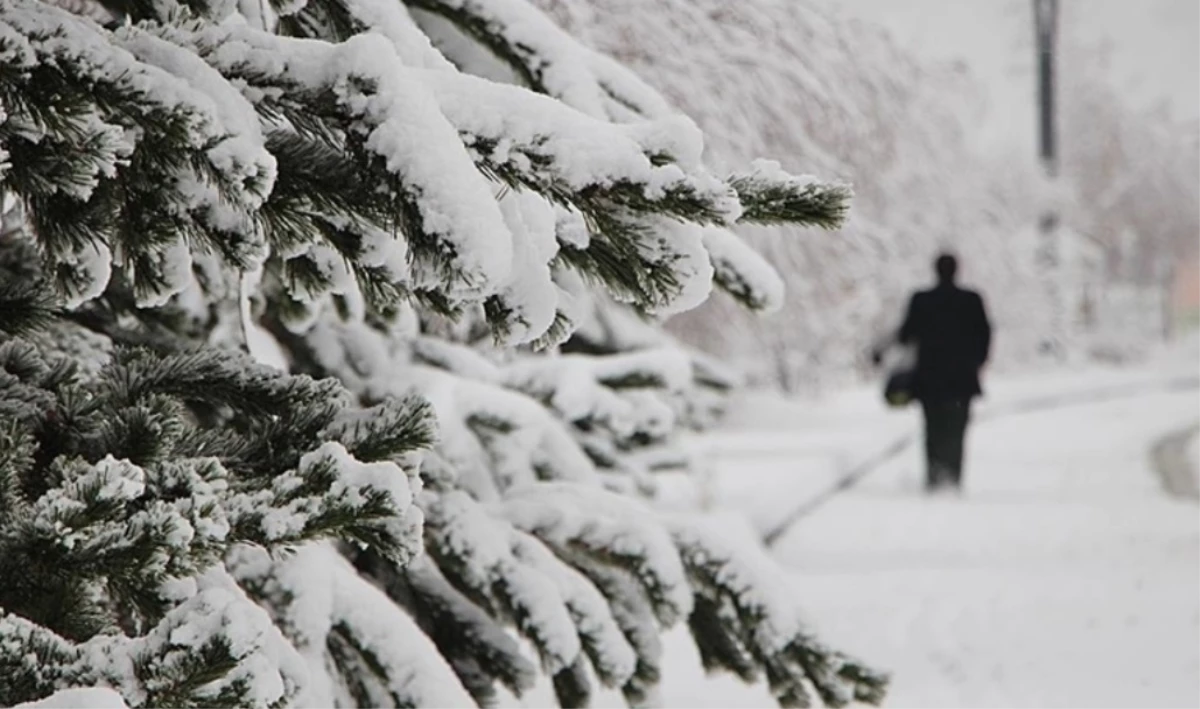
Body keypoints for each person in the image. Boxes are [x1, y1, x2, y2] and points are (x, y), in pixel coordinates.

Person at [874, 253, 992, 492]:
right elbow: (985, 334)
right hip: (962, 379)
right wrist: (977, 362)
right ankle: (953, 477)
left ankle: (934, 477)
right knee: (957, 429)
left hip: (930, 379)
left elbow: (906, 333)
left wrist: (881, 351)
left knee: (933, 428)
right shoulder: (971, 300)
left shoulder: (922, 300)